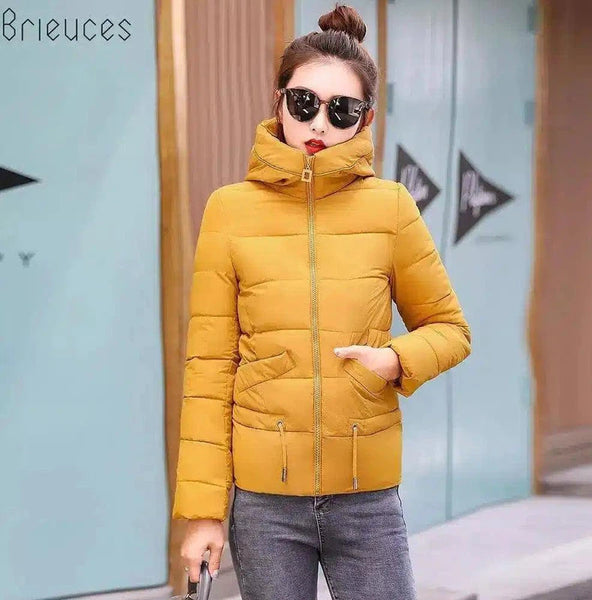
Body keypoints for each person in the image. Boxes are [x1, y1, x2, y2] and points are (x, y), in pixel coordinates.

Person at [172, 4, 471, 599]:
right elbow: (209, 369)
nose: (319, 124)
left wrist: (397, 360)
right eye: (304, 103)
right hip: (265, 505)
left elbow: (450, 329)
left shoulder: (390, 207)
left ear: (365, 119)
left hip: (366, 500)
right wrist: (203, 513)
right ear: (279, 100)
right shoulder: (229, 211)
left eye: (342, 110)